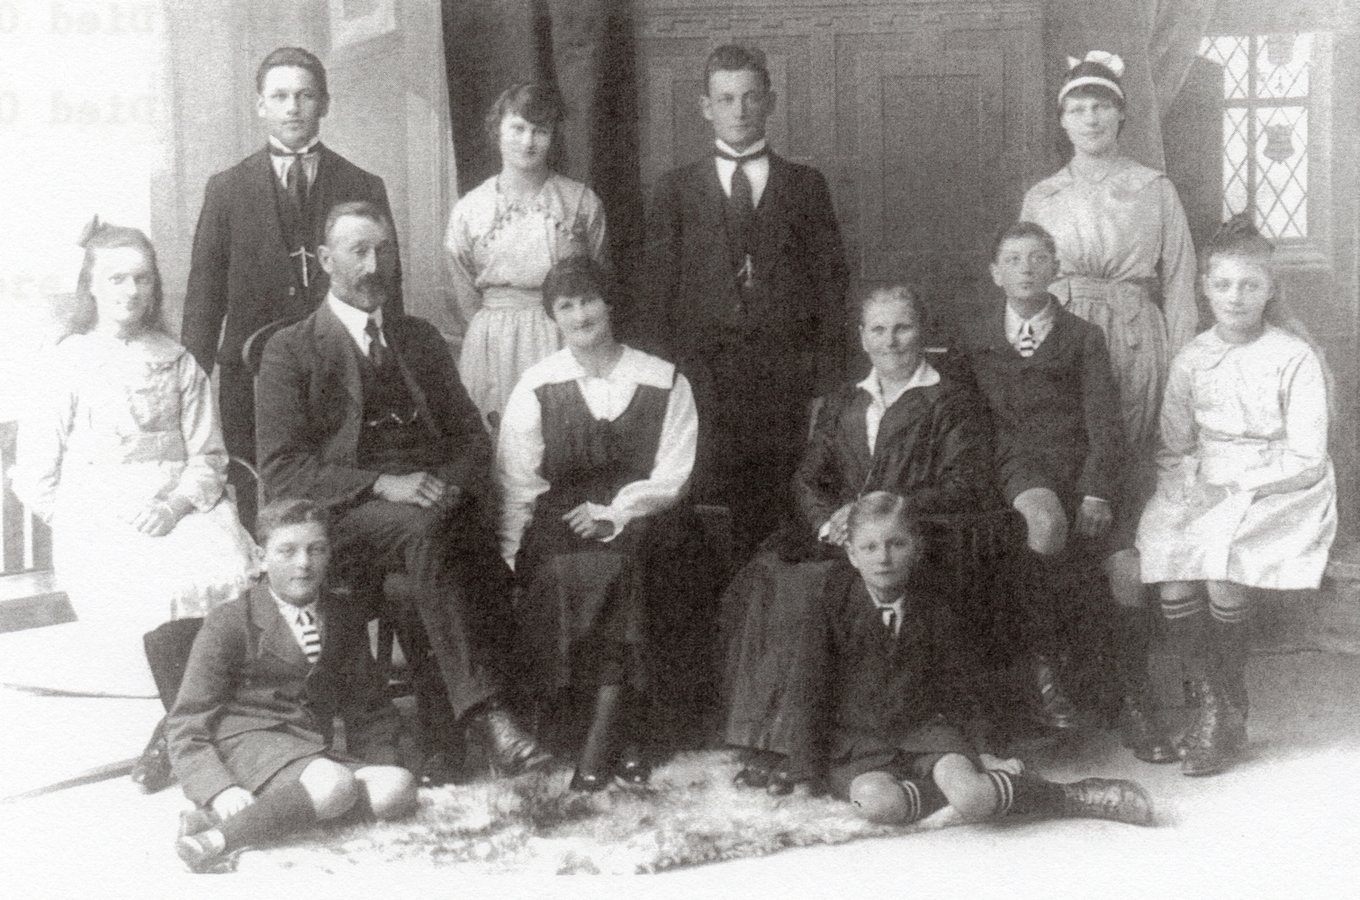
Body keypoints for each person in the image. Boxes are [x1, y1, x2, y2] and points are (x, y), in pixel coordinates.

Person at [255, 201, 549, 782]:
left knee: (417, 577)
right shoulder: (290, 350)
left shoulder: (418, 339)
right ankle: (489, 716)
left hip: (434, 511)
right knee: (426, 533)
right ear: (324, 261)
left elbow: (469, 436)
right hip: (347, 516)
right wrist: (382, 483)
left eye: (383, 251)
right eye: (358, 251)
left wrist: (453, 489)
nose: (374, 265)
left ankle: (444, 743)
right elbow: (284, 470)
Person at [8, 219, 257, 790]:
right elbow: (38, 473)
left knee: (214, 570)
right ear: (91, 286)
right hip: (101, 512)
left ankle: (179, 729)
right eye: (117, 279)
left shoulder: (177, 360)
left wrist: (173, 506)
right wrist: (87, 520)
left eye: (143, 279)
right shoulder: (66, 361)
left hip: (182, 502)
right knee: (156, 585)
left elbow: (208, 455)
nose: (131, 292)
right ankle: (199, 739)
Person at [721, 285, 992, 789]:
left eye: (903, 328)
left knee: (819, 589)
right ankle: (770, 741)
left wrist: (880, 513)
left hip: (911, 533)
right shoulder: (846, 399)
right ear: (862, 338)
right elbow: (808, 478)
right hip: (845, 536)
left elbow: (964, 483)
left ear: (922, 332)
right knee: (771, 576)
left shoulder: (948, 399)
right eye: (878, 330)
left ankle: (836, 744)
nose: (891, 341)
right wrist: (830, 523)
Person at [776, 492, 1153, 829]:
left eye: (896, 544)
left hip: (925, 730)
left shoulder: (935, 604)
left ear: (916, 548)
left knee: (973, 797)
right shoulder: (830, 605)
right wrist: (804, 774)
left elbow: (962, 684)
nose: (884, 558)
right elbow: (809, 690)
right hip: (860, 742)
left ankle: (1066, 796)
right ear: (852, 556)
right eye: (870, 548)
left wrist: (983, 748)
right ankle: (955, 792)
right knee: (874, 804)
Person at [956, 222, 1173, 761]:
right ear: (995, 273)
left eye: (1037, 258)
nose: (1026, 268)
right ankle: (1047, 674)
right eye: (1013, 259)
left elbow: (1105, 426)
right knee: (1046, 523)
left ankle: (1131, 698)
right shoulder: (977, 337)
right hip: (1015, 471)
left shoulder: (1082, 337)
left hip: (1083, 470)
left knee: (1126, 568)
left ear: (1056, 269)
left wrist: (1098, 491)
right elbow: (965, 422)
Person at [1138, 217, 1336, 776]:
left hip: (1281, 481)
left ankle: (1219, 705)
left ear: (1270, 289)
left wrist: (1236, 489)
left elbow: (1308, 457)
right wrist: (1189, 489)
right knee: (1172, 564)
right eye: (1223, 285)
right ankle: (1219, 703)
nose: (1235, 297)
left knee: (1222, 565)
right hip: (1205, 475)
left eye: (1250, 285)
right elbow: (1175, 446)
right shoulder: (1192, 358)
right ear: (1205, 288)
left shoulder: (1292, 356)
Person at [497, 256, 701, 790]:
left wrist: (615, 515)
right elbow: (519, 480)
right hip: (561, 514)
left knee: (631, 563)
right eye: (566, 305)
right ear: (553, 318)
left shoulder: (664, 379)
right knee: (564, 568)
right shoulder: (537, 385)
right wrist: (511, 553)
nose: (581, 313)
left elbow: (674, 474)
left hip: (647, 514)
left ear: (609, 304)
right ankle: (618, 733)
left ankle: (611, 733)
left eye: (589, 299)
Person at [641, 43, 849, 558]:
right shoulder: (676, 189)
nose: (739, 110)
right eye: (726, 98)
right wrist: (664, 383)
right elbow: (657, 295)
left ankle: (773, 623)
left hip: (785, 384)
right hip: (701, 382)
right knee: (705, 510)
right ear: (706, 107)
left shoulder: (805, 185)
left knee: (784, 509)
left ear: (770, 102)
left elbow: (830, 289)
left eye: (751, 97)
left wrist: (823, 383)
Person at [182, 47, 399, 525]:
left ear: (325, 103)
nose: (292, 107)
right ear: (261, 106)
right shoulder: (226, 189)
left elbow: (387, 293)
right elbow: (204, 298)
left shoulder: (363, 184)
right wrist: (188, 392)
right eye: (279, 96)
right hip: (249, 376)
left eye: (305, 95)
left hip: (341, 375)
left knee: (339, 493)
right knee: (258, 499)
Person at [1019, 51, 1198, 613]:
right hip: (1064, 333)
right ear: (1063, 121)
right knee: (1068, 450)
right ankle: (1073, 611)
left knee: (1127, 455)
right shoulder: (1043, 195)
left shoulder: (1154, 188)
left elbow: (1180, 280)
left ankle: (1130, 613)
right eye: (1078, 108)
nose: (1091, 118)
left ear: (1121, 117)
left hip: (1134, 334)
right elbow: (1024, 279)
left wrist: (1180, 364)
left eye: (1102, 107)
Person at [169, 499, 418, 873]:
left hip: (305, 747)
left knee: (397, 787)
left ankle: (250, 818)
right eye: (287, 551)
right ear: (260, 556)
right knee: (335, 784)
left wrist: (375, 763)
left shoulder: (341, 615)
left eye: (316, 550)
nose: (304, 563)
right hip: (248, 742)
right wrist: (218, 788)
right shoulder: (230, 622)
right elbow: (186, 722)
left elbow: (369, 706)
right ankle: (213, 842)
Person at [445, 83, 608, 430]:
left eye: (540, 131)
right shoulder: (470, 210)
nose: (528, 141)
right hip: (493, 345)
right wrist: (495, 330)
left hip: (564, 336)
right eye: (517, 129)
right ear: (497, 131)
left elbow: (599, 284)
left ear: (553, 137)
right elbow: (463, 296)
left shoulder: (580, 203)